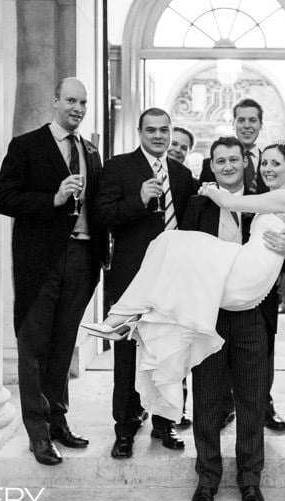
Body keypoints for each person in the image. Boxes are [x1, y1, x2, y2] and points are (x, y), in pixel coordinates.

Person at [84, 139, 285, 501]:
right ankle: (207, 479)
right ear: (212, 165)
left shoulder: (260, 198)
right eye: (220, 160)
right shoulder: (198, 204)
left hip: (250, 311)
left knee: (251, 399)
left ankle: (250, 480)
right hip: (207, 309)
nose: (229, 165)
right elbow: (183, 264)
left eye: (236, 159)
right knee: (206, 398)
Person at [0, 77, 107, 466]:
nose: (77, 108)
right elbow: (2, 199)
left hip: (82, 258)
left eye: (83, 103)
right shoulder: (26, 146)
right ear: (54, 100)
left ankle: (59, 423)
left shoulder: (91, 151)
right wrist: (53, 198)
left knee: (63, 345)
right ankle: (38, 435)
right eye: (71, 100)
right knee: (35, 348)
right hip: (41, 262)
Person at [94, 108, 196, 459]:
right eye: (151, 129)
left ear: (171, 133)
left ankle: (164, 423)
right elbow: (102, 216)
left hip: (172, 280)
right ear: (139, 131)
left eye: (163, 130)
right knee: (127, 353)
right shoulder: (118, 167)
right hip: (131, 277)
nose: (158, 136)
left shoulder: (182, 176)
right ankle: (124, 429)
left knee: (170, 352)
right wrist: (136, 200)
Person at [199, 98, 285, 432]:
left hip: (260, 283)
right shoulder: (215, 179)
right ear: (233, 123)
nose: (247, 125)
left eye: (253, 120)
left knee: (262, 348)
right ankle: (223, 407)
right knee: (216, 353)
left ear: (261, 124)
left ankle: (263, 405)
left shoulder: (269, 174)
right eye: (241, 120)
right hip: (217, 287)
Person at [166, 124, 197, 429]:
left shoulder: (188, 181)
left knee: (181, 347)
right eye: (174, 143)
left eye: (183, 147)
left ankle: (179, 408)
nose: (176, 149)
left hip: (183, 278)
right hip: (151, 273)